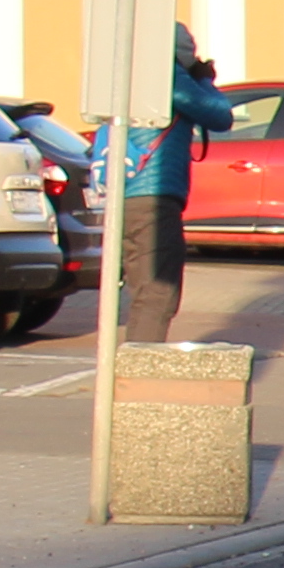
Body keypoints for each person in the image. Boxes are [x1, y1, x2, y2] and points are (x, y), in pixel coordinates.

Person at [119, 25, 234, 342]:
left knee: (144, 287)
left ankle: (134, 367)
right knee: (158, 291)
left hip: (125, 192)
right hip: (152, 193)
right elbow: (219, 115)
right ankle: (139, 372)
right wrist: (203, 79)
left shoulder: (127, 72)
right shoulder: (164, 73)